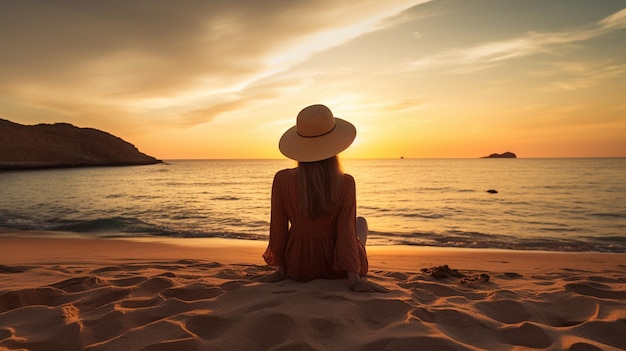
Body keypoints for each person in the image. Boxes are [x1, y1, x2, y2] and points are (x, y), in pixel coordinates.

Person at [262, 104, 388, 293]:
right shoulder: (345, 182)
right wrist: (354, 279)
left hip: (297, 265)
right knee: (360, 223)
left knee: (356, 223)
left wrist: (281, 270)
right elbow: (345, 231)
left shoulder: (282, 179)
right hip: (334, 266)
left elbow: (278, 226)